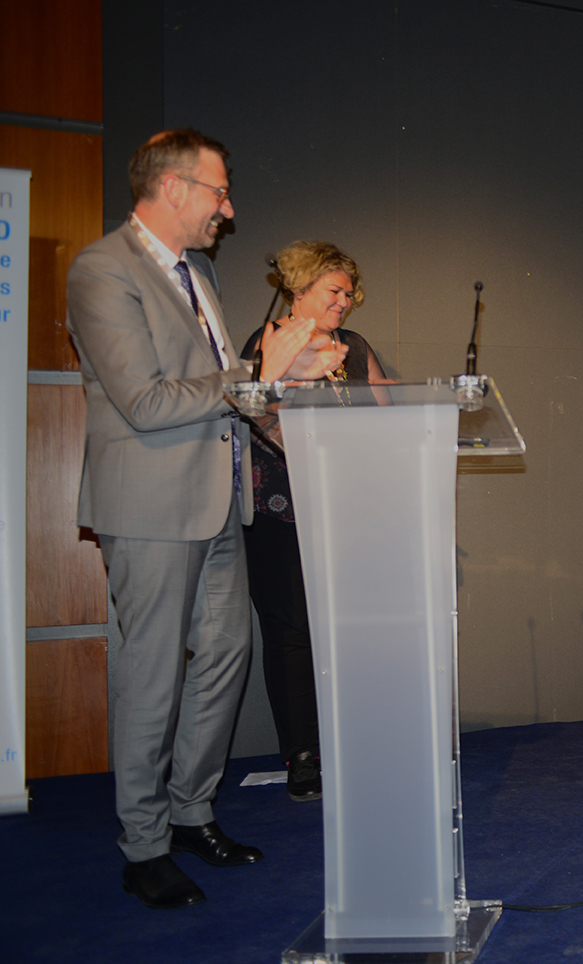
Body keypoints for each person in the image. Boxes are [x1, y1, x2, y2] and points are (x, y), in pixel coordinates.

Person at [66, 129, 344, 909]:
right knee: (151, 674)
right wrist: (259, 370)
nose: (229, 208)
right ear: (173, 187)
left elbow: (232, 393)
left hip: (221, 499)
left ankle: (191, 812)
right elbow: (146, 401)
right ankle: (143, 844)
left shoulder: (202, 273)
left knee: (226, 654)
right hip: (151, 504)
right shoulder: (102, 270)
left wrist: (286, 389)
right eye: (219, 191)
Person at [239, 240, 389, 803]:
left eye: (350, 293)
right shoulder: (269, 342)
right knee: (292, 634)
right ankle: (303, 755)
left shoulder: (355, 346)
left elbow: (386, 414)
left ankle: (354, 743)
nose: (345, 301)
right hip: (282, 514)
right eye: (335, 290)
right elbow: (257, 413)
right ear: (299, 288)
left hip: (349, 513)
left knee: (350, 631)